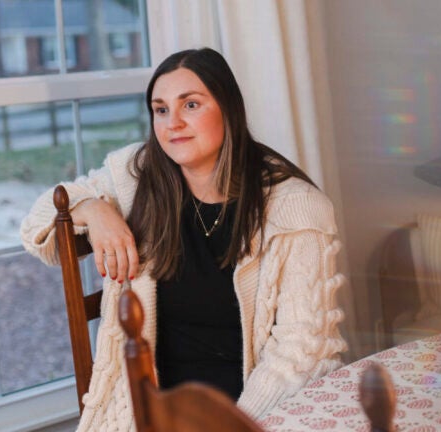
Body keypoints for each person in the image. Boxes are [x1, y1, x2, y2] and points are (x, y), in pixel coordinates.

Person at [20, 47, 348, 431]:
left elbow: (300, 352)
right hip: (146, 413)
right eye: (161, 109)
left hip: (256, 411)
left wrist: (230, 424)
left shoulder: (295, 207)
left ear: (228, 108)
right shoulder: (135, 177)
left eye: (190, 105)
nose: (172, 122)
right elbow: (36, 228)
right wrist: (92, 210)